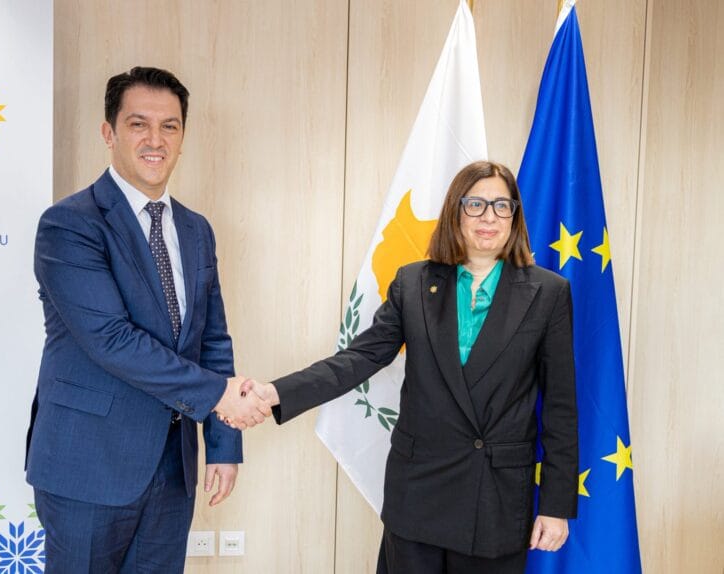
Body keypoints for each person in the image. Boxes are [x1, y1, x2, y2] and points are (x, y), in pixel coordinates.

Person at [233, 161, 578, 574]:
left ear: (515, 217)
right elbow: (358, 358)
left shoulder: (549, 293)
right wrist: (275, 393)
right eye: (476, 204)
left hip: (495, 500)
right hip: (419, 493)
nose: (489, 217)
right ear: (455, 211)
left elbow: (560, 407)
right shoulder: (413, 283)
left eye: (501, 206)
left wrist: (555, 505)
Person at [24, 66, 270, 573]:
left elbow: (213, 341)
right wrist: (221, 395)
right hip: (87, 467)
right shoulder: (69, 225)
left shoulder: (196, 230)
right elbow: (112, 339)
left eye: (169, 126)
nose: (155, 140)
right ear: (109, 132)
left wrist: (224, 443)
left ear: (182, 138)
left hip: (171, 470)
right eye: (138, 124)